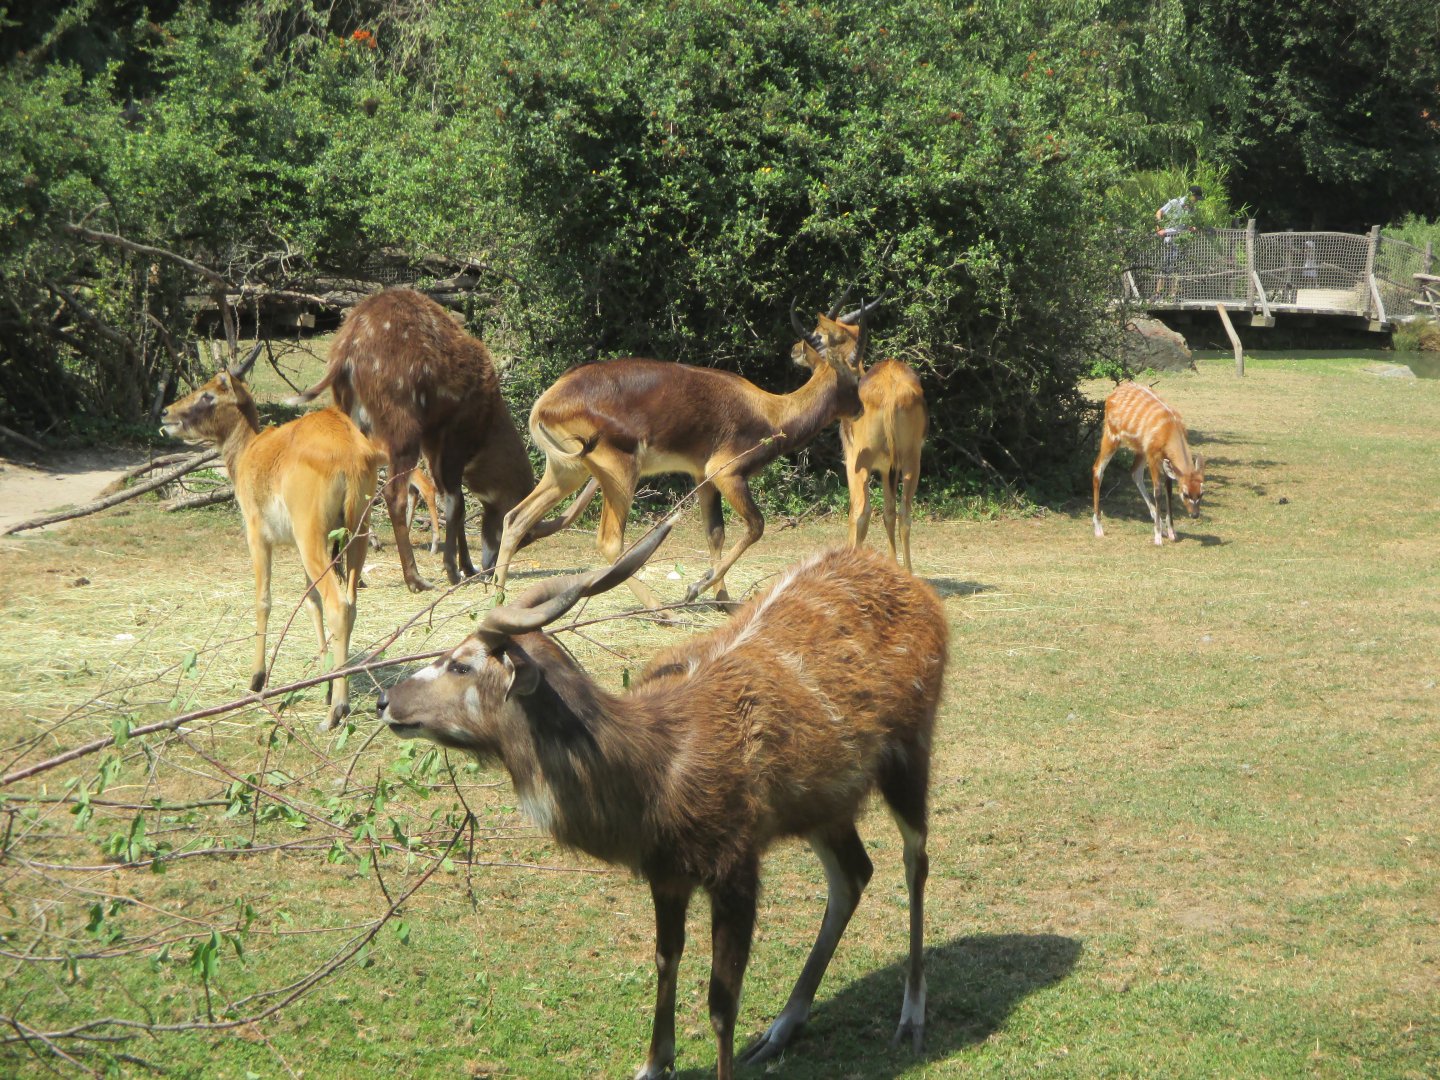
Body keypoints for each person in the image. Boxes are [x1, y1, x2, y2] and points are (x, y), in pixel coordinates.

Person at [1153, 185, 1203, 298]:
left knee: (1177, 267)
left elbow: (1185, 225)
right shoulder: (1175, 202)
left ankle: (1173, 295)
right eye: (1196, 198)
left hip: (1181, 240)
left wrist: (1192, 228)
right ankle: (1158, 293)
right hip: (1170, 238)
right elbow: (1159, 212)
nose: (1197, 201)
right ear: (1191, 196)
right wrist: (1159, 229)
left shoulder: (1191, 209)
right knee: (1166, 265)